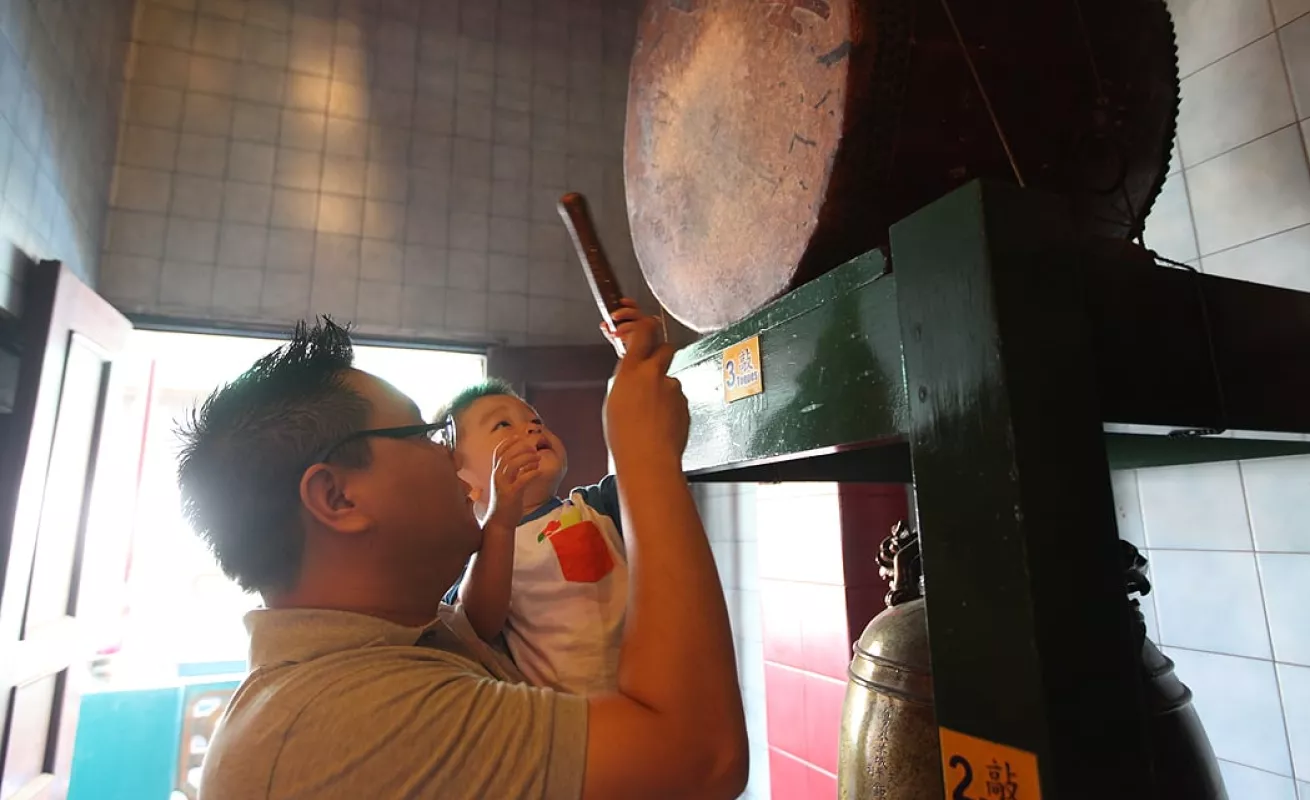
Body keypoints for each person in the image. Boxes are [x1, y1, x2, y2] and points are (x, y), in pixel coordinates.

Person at [177, 307, 747, 799]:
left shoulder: (414, 637)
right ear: (337, 497)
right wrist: (645, 453)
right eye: (425, 435)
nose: (448, 458)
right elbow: (702, 757)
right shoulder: (328, 728)